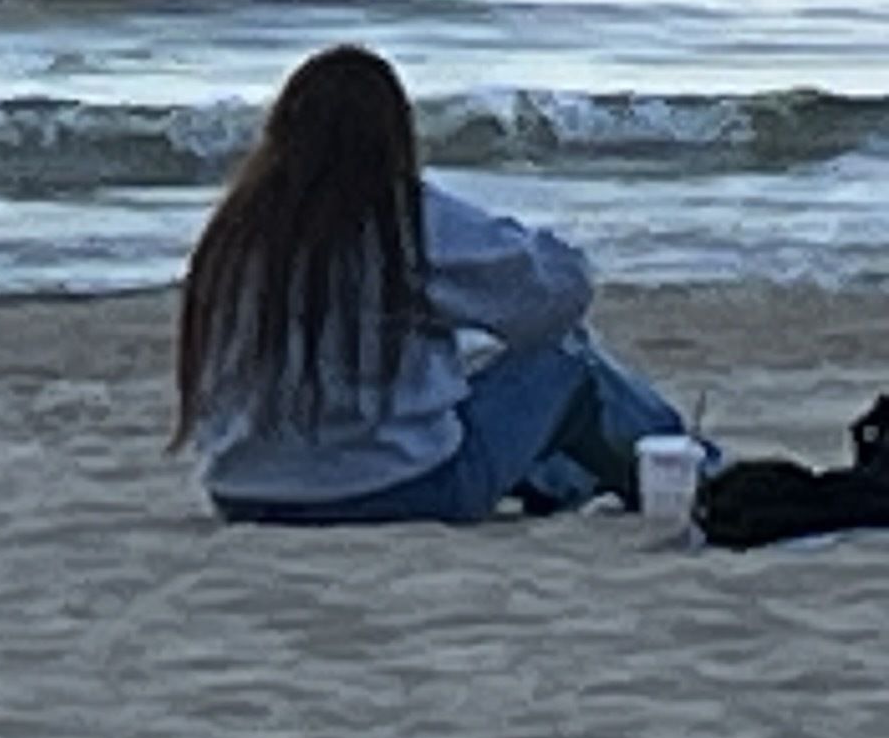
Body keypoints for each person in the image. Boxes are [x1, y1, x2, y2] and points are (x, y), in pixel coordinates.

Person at [173, 43, 677, 525]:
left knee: (461, 378)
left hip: (244, 494)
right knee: (568, 360)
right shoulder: (404, 218)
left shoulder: (237, 229)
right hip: (394, 491)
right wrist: (529, 242)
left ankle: (567, 479)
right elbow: (553, 297)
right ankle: (695, 471)